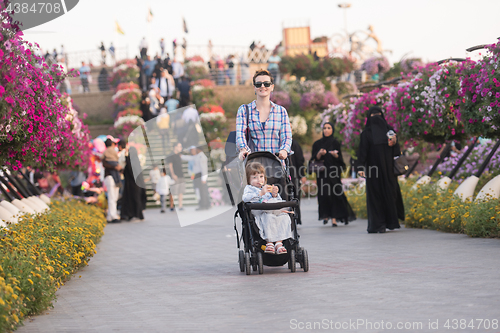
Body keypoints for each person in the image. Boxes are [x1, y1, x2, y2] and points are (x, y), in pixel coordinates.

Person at [356, 106, 404, 233]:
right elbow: (363, 152)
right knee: (381, 195)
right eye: (374, 115)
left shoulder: (389, 133)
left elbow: (397, 152)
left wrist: (395, 142)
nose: (376, 118)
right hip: (377, 171)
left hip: (382, 170)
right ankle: (382, 224)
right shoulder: (370, 134)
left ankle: (385, 223)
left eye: (378, 114)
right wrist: (360, 166)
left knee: (384, 195)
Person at [236, 69, 292, 162]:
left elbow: (286, 136)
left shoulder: (281, 111)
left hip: (276, 164)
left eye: (266, 84)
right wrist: (243, 149)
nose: (262, 86)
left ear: (272, 87)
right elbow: (240, 135)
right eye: (258, 84)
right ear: (254, 87)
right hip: (253, 166)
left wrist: (284, 150)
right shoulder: (244, 110)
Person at [242, 162, 293, 254]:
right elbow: (245, 198)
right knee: (268, 217)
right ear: (248, 180)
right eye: (254, 177)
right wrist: (260, 193)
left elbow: (278, 201)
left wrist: (274, 194)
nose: (259, 180)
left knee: (284, 217)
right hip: (261, 213)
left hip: (273, 211)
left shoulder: (267, 188)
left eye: (261, 176)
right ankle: (269, 243)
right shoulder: (249, 189)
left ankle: (279, 243)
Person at [311, 122, 356, 226]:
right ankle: (325, 215)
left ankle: (334, 218)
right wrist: (319, 154)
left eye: (329, 128)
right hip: (322, 174)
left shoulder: (335, 143)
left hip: (333, 173)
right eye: (325, 128)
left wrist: (335, 156)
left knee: (335, 195)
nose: (326, 130)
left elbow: (340, 160)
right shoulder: (317, 144)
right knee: (324, 195)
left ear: (332, 130)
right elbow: (313, 160)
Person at [120, 146, 147, 221]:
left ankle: (138, 214)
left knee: (135, 199)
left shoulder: (133, 160)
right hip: (132, 184)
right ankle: (131, 214)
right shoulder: (135, 160)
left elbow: (130, 169)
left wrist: (126, 158)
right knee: (132, 199)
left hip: (134, 184)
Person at [181, 146, 211, 210]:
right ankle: (204, 204)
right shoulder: (197, 156)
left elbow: (204, 169)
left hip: (201, 175)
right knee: (200, 191)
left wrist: (203, 178)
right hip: (197, 175)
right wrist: (181, 156)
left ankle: (204, 205)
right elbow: (190, 158)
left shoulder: (201, 157)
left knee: (203, 191)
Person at [102, 139, 122, 223]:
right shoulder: (114, 152)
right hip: (112, 177)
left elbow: (103, 162)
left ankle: (110, 215)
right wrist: (116, 167)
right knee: (113, 197)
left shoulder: (105, 153)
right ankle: (113, 215)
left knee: (112, 196)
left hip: (109, 176)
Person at [289, 132, 306, 224]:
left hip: (294, 174)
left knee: (295, 196)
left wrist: (302, 175)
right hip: (280, 174)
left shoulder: (294, 143)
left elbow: (300, 160)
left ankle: (296, 219)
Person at [167, 142, 186, 211]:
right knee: (173, 191)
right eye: (179, 146)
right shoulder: (171, 155)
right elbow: (170, 165)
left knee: (180, 191)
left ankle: (180, 206)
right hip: (174, 176)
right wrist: (173, 174)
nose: (181, 148)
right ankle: (172, 206)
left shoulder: (179, 155)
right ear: (175, 147)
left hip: (181, 175)